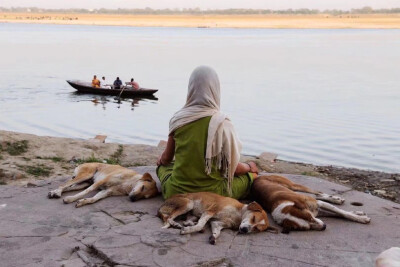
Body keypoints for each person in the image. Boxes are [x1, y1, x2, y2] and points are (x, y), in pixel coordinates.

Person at [157, 66, 258, 200]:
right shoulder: (223, 123)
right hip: (213, 195)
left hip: (176, 192)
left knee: (162, 168)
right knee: (251, 177)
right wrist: (249, 167)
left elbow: (166, 159)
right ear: (215, 89)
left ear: (191, 88)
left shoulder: (178, 119)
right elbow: (232, 169)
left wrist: (161, 160)